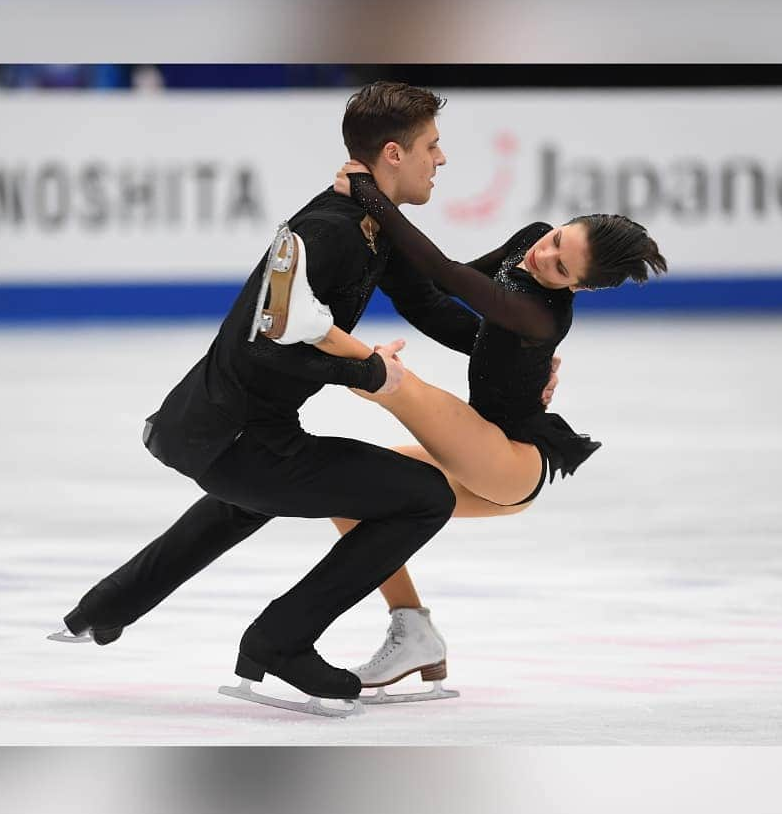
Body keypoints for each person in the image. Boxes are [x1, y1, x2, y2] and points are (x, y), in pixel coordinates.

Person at [48, 81, 557, 718]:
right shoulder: (331, 230)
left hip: (233, 429)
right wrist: (370, 375)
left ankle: (104, 608)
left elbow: (429, 307)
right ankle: (281, 642)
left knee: (249, 499)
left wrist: (520, 360)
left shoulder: (371, 225)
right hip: (232, 433)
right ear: (393, 154)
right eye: (433, 145)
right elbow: (266, 347)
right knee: (423, 498)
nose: (442, 158)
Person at [304, 160, 667, 700]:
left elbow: (449, 275)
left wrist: (369, 194)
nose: (543, 255)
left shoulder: (541, 316)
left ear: (580, 289)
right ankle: (413, 630)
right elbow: (435, 297)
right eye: (557, 239)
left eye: (562, 268)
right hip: (475, 449)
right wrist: (366, 217)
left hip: (507, 462)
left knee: (394, 385)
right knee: (347, 495)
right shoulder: (531, 241)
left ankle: (308, 328)